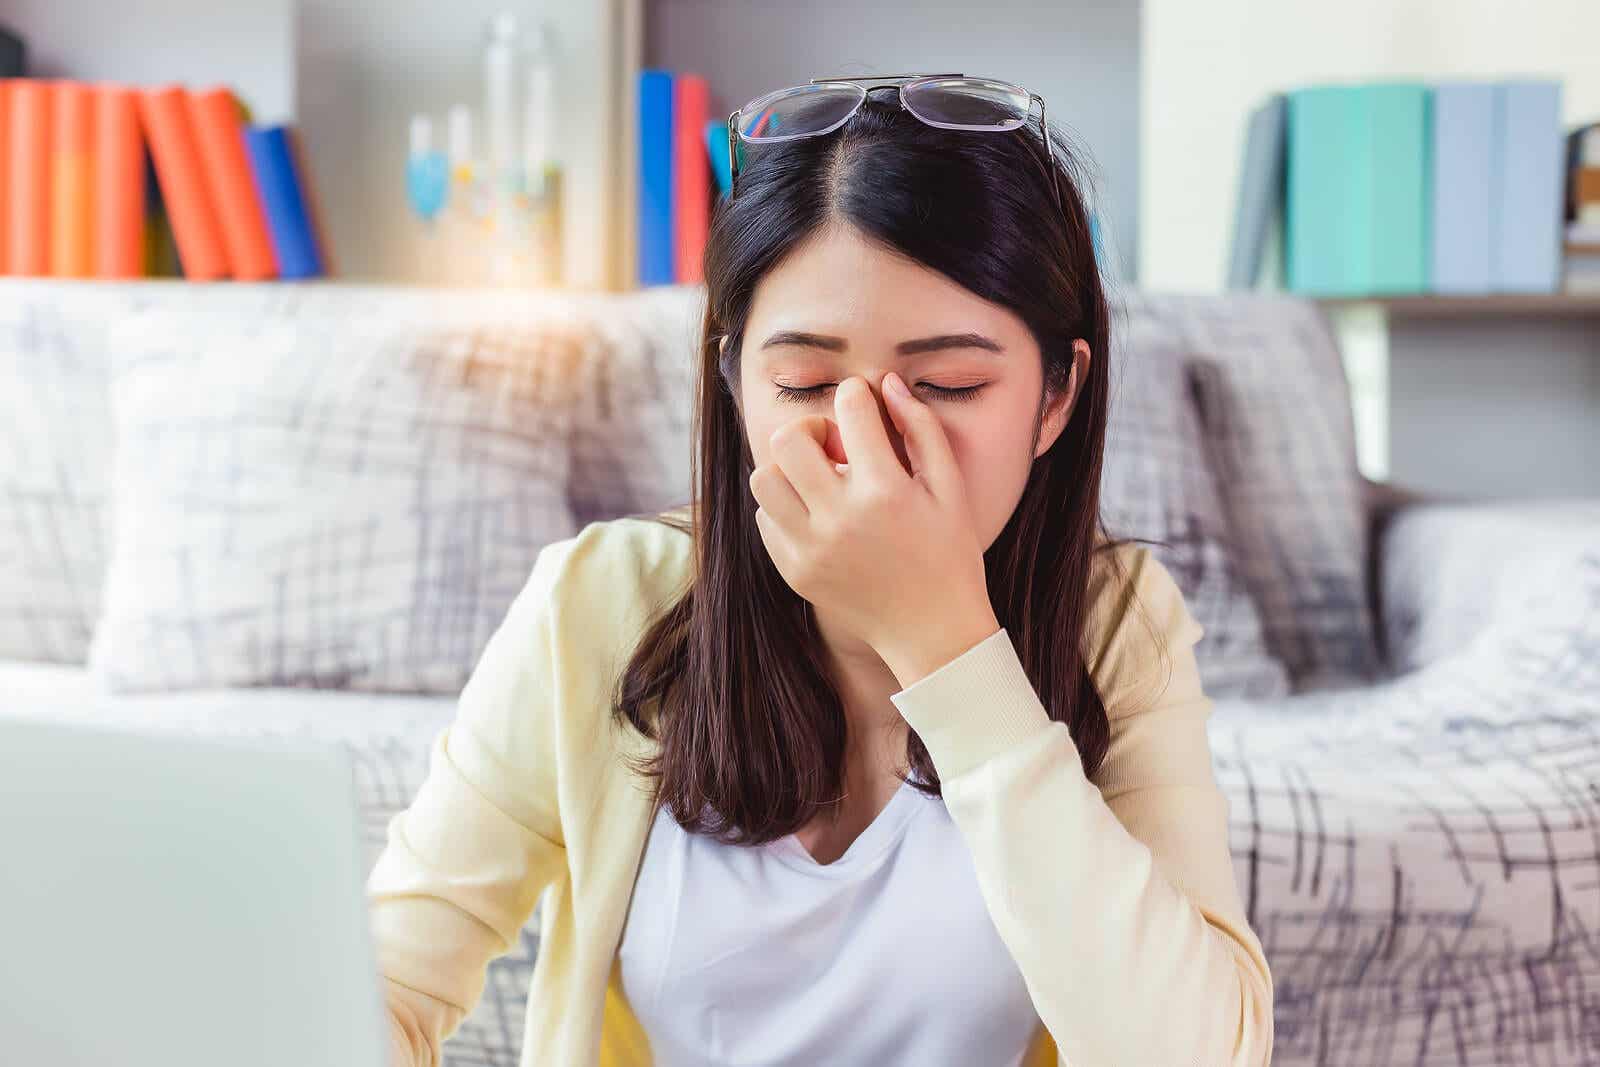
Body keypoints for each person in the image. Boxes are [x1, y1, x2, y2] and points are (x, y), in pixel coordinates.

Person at [369, 73, 1275, 1067]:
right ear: (734, 382)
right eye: (804, 382)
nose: (867, 440)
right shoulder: (598, 602)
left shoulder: (1117, 621)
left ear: (1055, 395)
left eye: (948, 383)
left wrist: (947, 644)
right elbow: (384, 986)